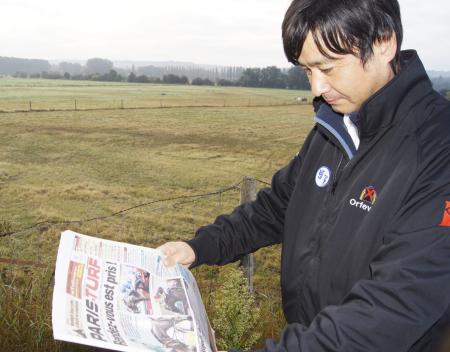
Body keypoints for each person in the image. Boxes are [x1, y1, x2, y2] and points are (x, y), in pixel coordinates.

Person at [158, 0, 450, 350]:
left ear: (384, 42)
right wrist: (196, 248)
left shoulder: (437, 150)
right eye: (307, 71)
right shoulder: (337, 124)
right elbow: (278, 206)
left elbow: (393, 309)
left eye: (327, 67)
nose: (317, 88)